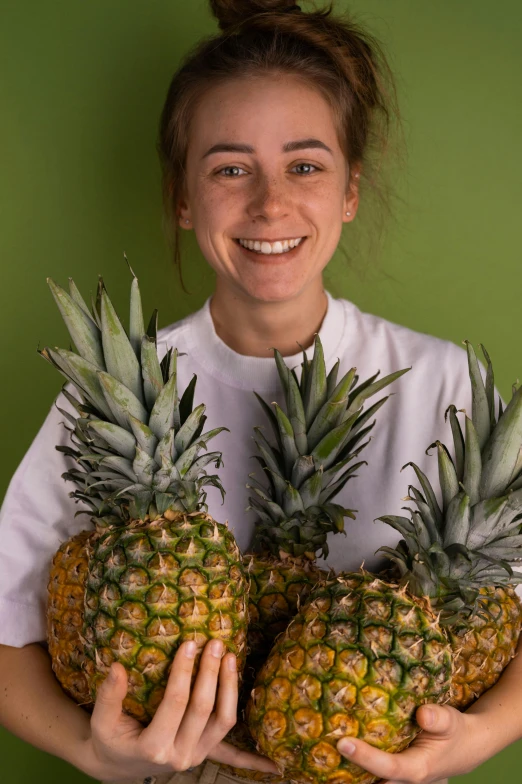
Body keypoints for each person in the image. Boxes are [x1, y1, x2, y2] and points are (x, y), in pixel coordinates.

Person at [1, 2, 521, 784]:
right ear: (184, 197)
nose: (270, 203)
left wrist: (478, 738)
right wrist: (94, 753)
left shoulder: (446, 383)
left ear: (351, 189)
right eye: (229, 167)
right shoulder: (115, 389)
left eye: (305, 165)